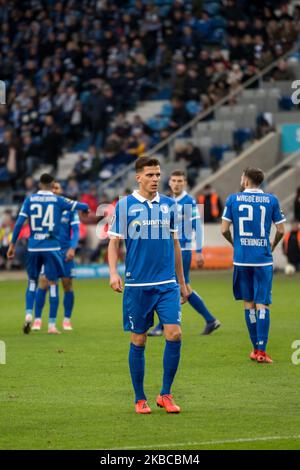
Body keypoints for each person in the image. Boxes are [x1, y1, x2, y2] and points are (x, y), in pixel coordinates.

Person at [108, 156, 188, 414]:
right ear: (138, 177)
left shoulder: (168, 205)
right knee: (139, 339)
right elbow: (114, 243)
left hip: (167, 284)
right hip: (137, 284)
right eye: (150, 175)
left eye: (158, 174)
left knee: (174, 333)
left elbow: (176, 245)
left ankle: (165, 393)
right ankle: (139, 398)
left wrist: (182, 282)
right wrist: (113, 273)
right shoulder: (124, 205)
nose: (156, 179)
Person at [7, 174, 89, 334]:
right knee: (52, 283)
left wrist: (12, 244)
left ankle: (30, 315)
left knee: (33, 281)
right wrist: (86, 208)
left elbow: (18, 223)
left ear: (39, 184)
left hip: (34, 247)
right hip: (52, 248)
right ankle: (48, 323)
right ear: (52, 185)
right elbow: (81, 205)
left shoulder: (30, 199)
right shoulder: (60, 202)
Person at [221, 167, 285, 363]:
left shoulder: (233, 199)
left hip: (241, 259)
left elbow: (224, 229)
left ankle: (254, 348)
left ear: (245, 181)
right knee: (262, 303)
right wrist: (271, 245)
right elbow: (281, 229)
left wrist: (235, 244)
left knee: (248, 303)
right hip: (263, 258)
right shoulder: (271, 200)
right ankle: (262, 351)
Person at [148, 170, 221, 337]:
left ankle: (162, 325)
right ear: (169, 183)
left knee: (175, 285)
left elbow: (197, 226)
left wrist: (200, 251)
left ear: (185, 183)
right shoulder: (167, 201)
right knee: (182, 287)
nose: (176, 183)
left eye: (180, 181)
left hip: (184, 249)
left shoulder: (189, 201)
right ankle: (210, 319)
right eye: (173, 180)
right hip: (168, 249)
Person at [32, 181, 80, 332]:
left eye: (57, 188)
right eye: (52, 187)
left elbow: (76, 230)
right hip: (48, 251)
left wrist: (72, 248)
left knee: (67, 285)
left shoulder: (69, 208)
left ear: (61, 190)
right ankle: (37, 320)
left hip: (65, 253)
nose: (54, 190)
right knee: (44, 283)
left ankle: (66, 319)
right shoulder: (44, 208)